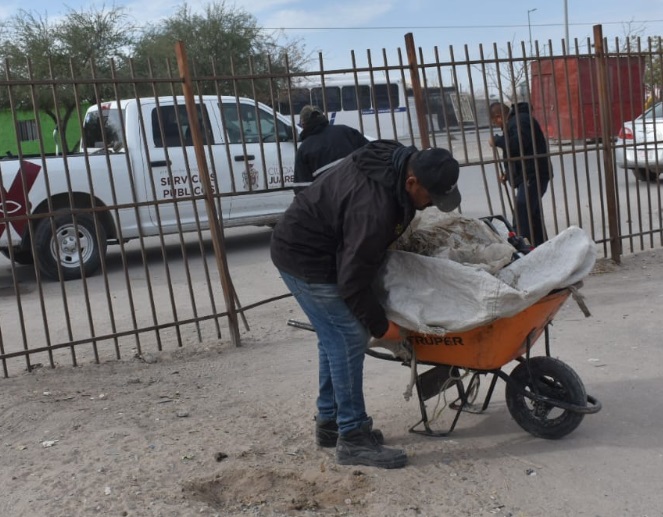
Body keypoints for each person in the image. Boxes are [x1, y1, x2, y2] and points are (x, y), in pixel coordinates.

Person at [271, 141, 461, 469]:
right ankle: (353, 438)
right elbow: (352, 282)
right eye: (431, 197)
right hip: (306, 257)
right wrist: (381, 326)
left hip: (321, 248)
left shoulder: (397, 159)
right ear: (412, 182)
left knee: (333, 339)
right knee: (348, 338)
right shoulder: (374, 209)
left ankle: (330, 423)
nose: (431, 206)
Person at [488, 101, 552, 247]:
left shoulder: (520, 120)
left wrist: (497, 140)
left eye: (495, 122)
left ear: (498, 117)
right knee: (532, 214)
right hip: (529, 174)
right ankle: (540, 247)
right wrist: (508, 173)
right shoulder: (516, 121)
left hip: (533, 175)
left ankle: (524, 248)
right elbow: (518, 154)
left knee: (523, 210)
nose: (498, 125)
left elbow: (519, 144)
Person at [292, 105, 369, 194]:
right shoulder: (346, 131)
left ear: (303, 124)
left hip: (331, 199)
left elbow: (302, 188)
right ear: (323, 118)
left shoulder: (303, 149)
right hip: (359, 189)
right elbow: (370, 153)